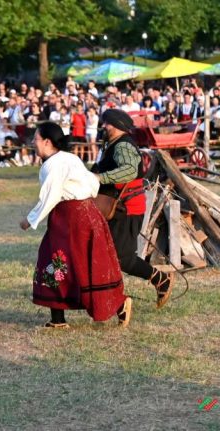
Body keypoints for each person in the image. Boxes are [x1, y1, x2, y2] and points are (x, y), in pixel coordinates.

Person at [20, 122, 131, 328]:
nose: (33, 143)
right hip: (84, 214)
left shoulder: (54, 164)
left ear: (47, 142)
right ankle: (59, 319)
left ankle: (118, 304)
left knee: (61, 261)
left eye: (35, 139)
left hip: (72, 218)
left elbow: (51, 195)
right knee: (75, 262)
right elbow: (92, 182)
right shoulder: (70, 158)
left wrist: (30, 219)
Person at [92, 109, 174, 309]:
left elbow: (129, 170)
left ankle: (161, 279)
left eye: (107, 123)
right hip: (115, 208)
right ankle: (110, 298)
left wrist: (101, 178)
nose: (104, 126)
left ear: (118, 125)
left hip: (126, 209)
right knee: (106, 255)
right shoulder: (113, 144)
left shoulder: (123, 145)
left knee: (122, 258)